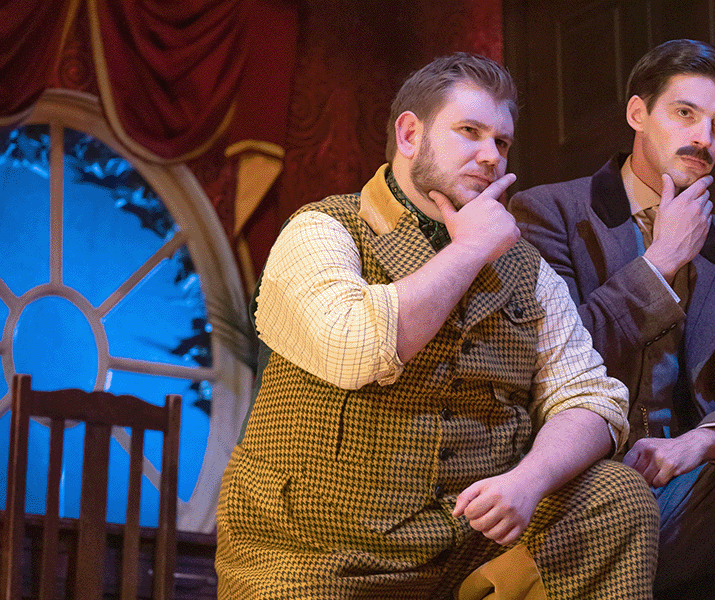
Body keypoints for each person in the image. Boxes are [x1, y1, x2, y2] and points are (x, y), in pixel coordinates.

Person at [214, 53, 659, 600]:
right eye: (469, 132)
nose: (490, 156)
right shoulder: (321, 230)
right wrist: (469, 250)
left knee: (615, 495)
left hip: (465, 557)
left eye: (501, 142)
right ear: (409, 134)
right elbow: (354, 346)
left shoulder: (527, 270)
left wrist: (529, 480)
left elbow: (591, 397)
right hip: (315, 561)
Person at [508, 39, 715, 600]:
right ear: (638, 114)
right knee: (621, 493)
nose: (704, 139)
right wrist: (660, 262)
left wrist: (692, 446)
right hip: (585, 493)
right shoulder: (551, 215)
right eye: (685, 114)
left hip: (689, 488)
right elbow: (557, 357)